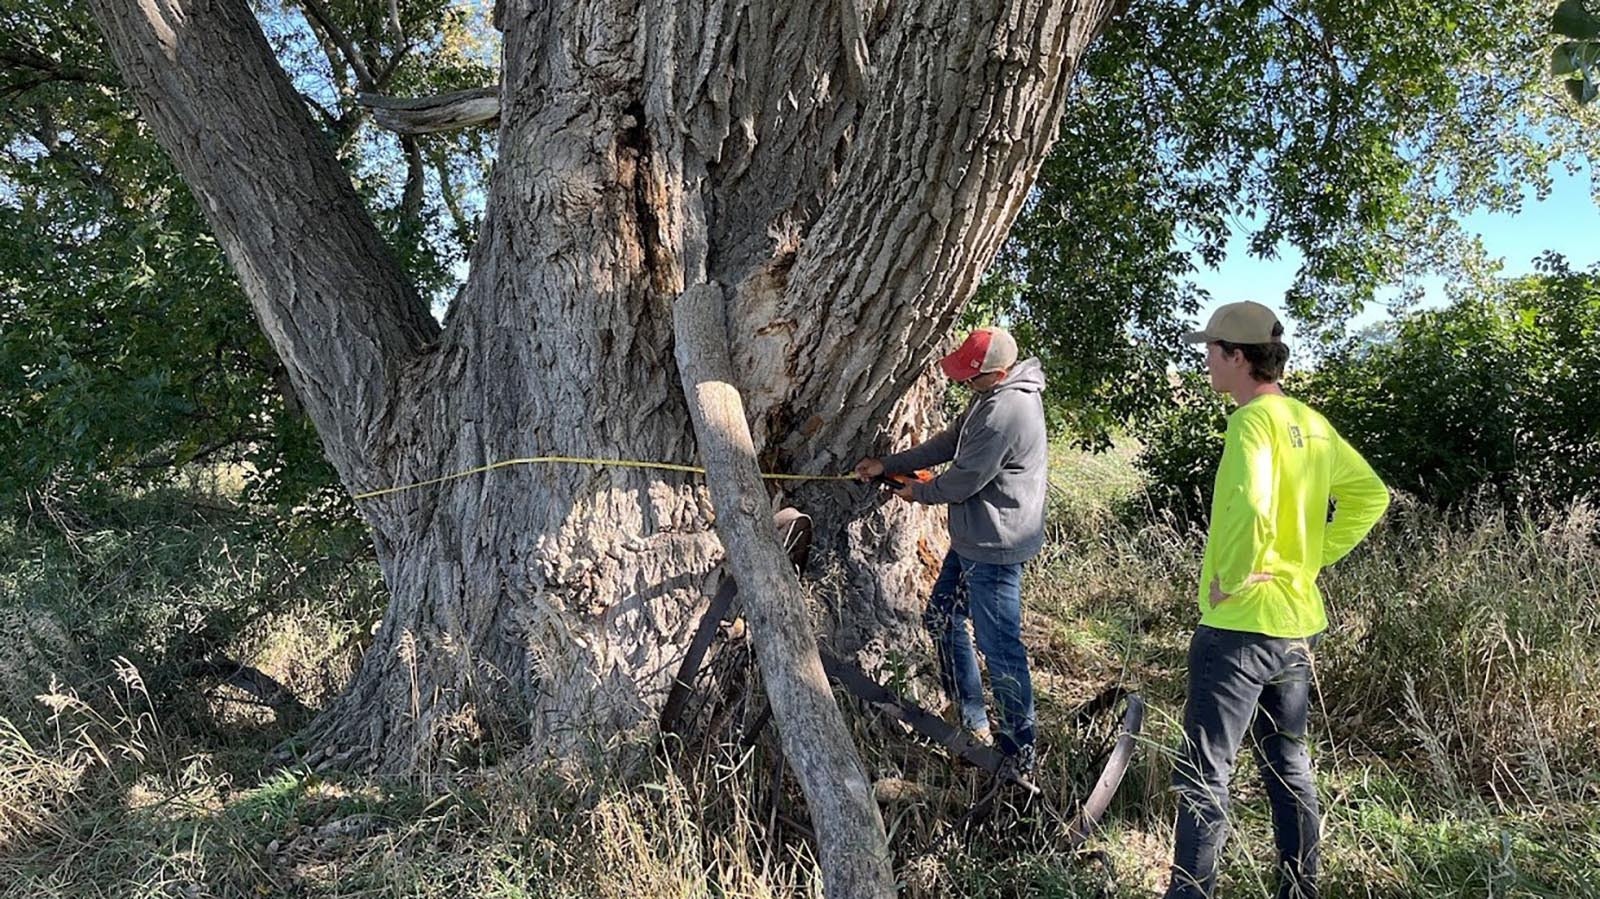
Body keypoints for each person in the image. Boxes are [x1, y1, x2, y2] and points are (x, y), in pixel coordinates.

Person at [1164, 301, 1390, 899]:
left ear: (1237, 357)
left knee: (1206, 773)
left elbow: (1253, 505)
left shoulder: (1251, 424)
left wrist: (1232, 579)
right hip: (1294, 624)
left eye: (1211, 351)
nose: (1205, 361)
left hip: (1239, 624)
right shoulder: (1311, 423)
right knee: (1289, 768)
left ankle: (1190, 893)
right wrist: (1309, 558)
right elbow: (1370, 496)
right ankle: (1299, 889)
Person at [854, 326, 1048, 774]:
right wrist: (891, 464)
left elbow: (962, 481)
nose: (963, 382)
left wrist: (916, 494)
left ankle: (1019, 753)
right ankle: (970, 718)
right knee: (942, 617)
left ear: (997, 373)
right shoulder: (986, 399)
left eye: (971, 376)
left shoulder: (1007, 411)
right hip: (973, 540)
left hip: (995, 547)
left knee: (1000, 649)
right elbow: (949, 444)